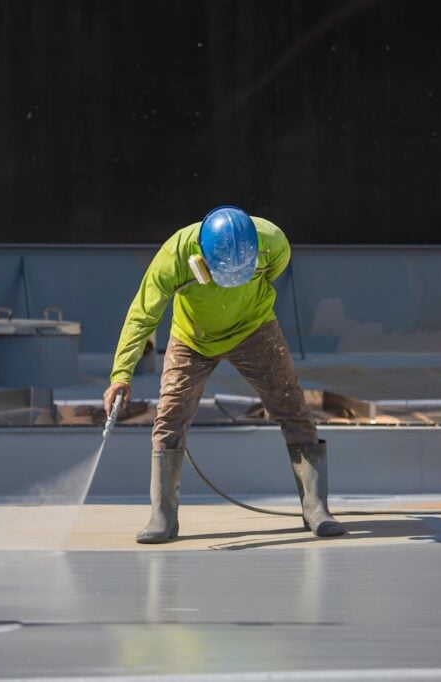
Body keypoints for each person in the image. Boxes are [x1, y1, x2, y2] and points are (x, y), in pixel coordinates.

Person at [103, 205, 345, 544]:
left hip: (254, 328)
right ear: (200, 260)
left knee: (291, 405)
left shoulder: (272, 241)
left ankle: (316, 507)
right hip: (193, 338)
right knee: (170, 418)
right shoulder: (173, 257)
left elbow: (275, 270)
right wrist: (121, 375)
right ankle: (163, 517)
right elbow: (142, 315)